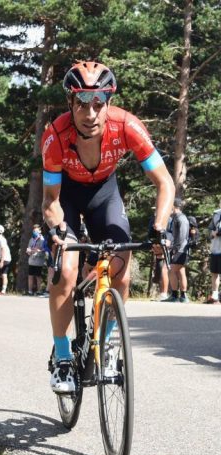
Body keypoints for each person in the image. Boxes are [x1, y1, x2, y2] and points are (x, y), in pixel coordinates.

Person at [42, 60, 174, 394]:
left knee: (121, 269)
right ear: (70, 103)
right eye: (82, 104)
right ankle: (61, 356)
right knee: (66, 268)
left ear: (108, 102)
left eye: (98, 103)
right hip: (67, 198)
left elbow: (165, 184)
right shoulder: (55, 135)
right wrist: (58, 231)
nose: (90, 113)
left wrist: (159, 227)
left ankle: (107, 341)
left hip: (105, 194)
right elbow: (50, 200)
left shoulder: (127, 125)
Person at [163, 198, 190, 303]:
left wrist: (175, 249)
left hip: (180, 249)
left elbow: (182, 236)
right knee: (180, 271)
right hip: (182, 249)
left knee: (171, 270)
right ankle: (183, 296)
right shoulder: (177, 218)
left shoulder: (181, 218)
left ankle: (175, 295)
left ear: (173, 206)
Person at [26, 223, 46, 295]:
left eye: (36, 231)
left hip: (38, 261)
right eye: (34, 231)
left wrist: (38, 251)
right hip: (31, 261)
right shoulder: (31, 239)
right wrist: (28, 251)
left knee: (38, 276)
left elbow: (44, 250)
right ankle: (30, 291)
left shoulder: (42, 239)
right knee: (30, 276)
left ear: (40, 231)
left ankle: (39, 291)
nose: (35, 232)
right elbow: (29, 247)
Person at [207, 205, 221, 304]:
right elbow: (209, 230)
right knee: (214, 272)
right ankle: (215, 294)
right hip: (216, 247)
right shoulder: (216, 213)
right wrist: (213, 233)